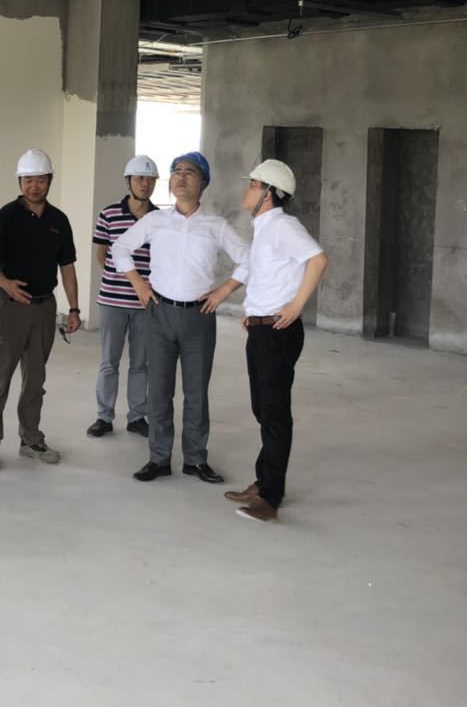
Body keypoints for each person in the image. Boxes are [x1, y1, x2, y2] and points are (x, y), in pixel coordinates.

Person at [111, 152, 248, 485]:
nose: (181, 177)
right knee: (159, 391)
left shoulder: (215, 226)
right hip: (159, 314)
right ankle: (158, 458)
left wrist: (223, 291)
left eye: (190, 172)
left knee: (196, 393)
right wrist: (138, 282)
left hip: (199, 318)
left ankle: (195, 459)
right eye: (176, 172)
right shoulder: (156, 221)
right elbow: (120, 248)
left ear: (203, 183)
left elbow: (249, 258)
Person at [225, 159, 328, 524]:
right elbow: (271, 276)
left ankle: (270, 497)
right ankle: (263, 480)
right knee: (263, 409)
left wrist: (296, 306)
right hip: (262, 329)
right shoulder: (264, 228)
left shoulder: (284, 226)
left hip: (278, 334)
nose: (247, 189)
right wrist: (253, 311)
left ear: (268, 193)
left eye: (253, 184)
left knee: (274, 414)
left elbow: (318, 260)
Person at [0, 148, 81, 470]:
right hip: (10, 307)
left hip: (44, 308)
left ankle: (31, 439)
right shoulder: (7, 215)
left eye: (40, 180)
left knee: (35, 380)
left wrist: (74, 308)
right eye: (28, 180)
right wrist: (5, 283)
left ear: (50, 180)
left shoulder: (59, 220)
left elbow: (67, 267)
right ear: (20, 182)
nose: (34, 186)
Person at [86, 154, 159, 439]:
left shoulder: (161, 219)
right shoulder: (109, 214)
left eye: (150, 179)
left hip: (145, 303)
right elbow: (101, 253)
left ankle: (137, 416)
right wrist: (121, 277)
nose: (145, 184)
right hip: (113, 301)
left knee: (141, 363)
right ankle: (104, 416)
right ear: (128, 181)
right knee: (109, 362)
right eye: (140, 178)